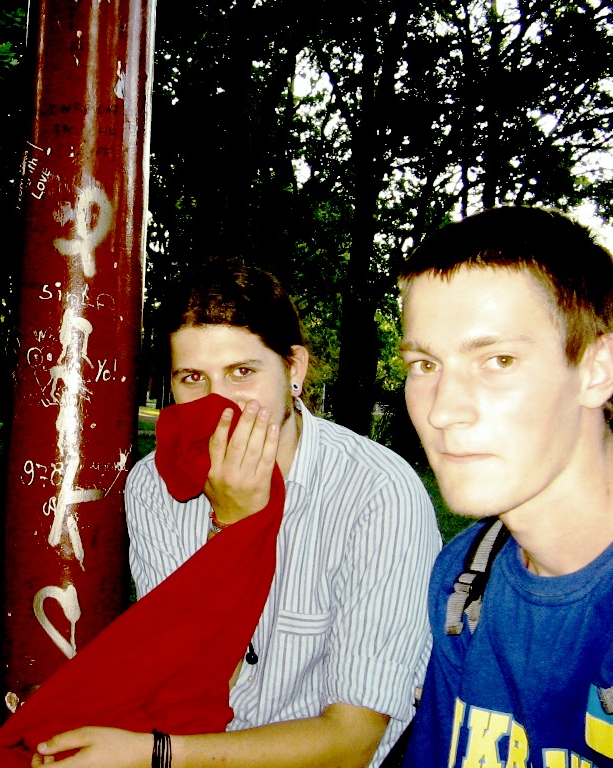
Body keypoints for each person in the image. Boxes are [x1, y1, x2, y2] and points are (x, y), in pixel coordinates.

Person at [32, 261, 441, 767]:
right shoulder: (155, 487)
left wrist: (155, 755)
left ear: (294, 370)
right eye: (193, 378)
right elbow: (181, 681)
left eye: (242, 373)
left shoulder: (378, 493)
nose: (219, 403)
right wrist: (227, 533)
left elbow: (352, 743)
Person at [397, 206, 613, 765]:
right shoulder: (467, 577)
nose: (443, 410)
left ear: (597, 369)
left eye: (498, 359)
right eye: (424, 365)